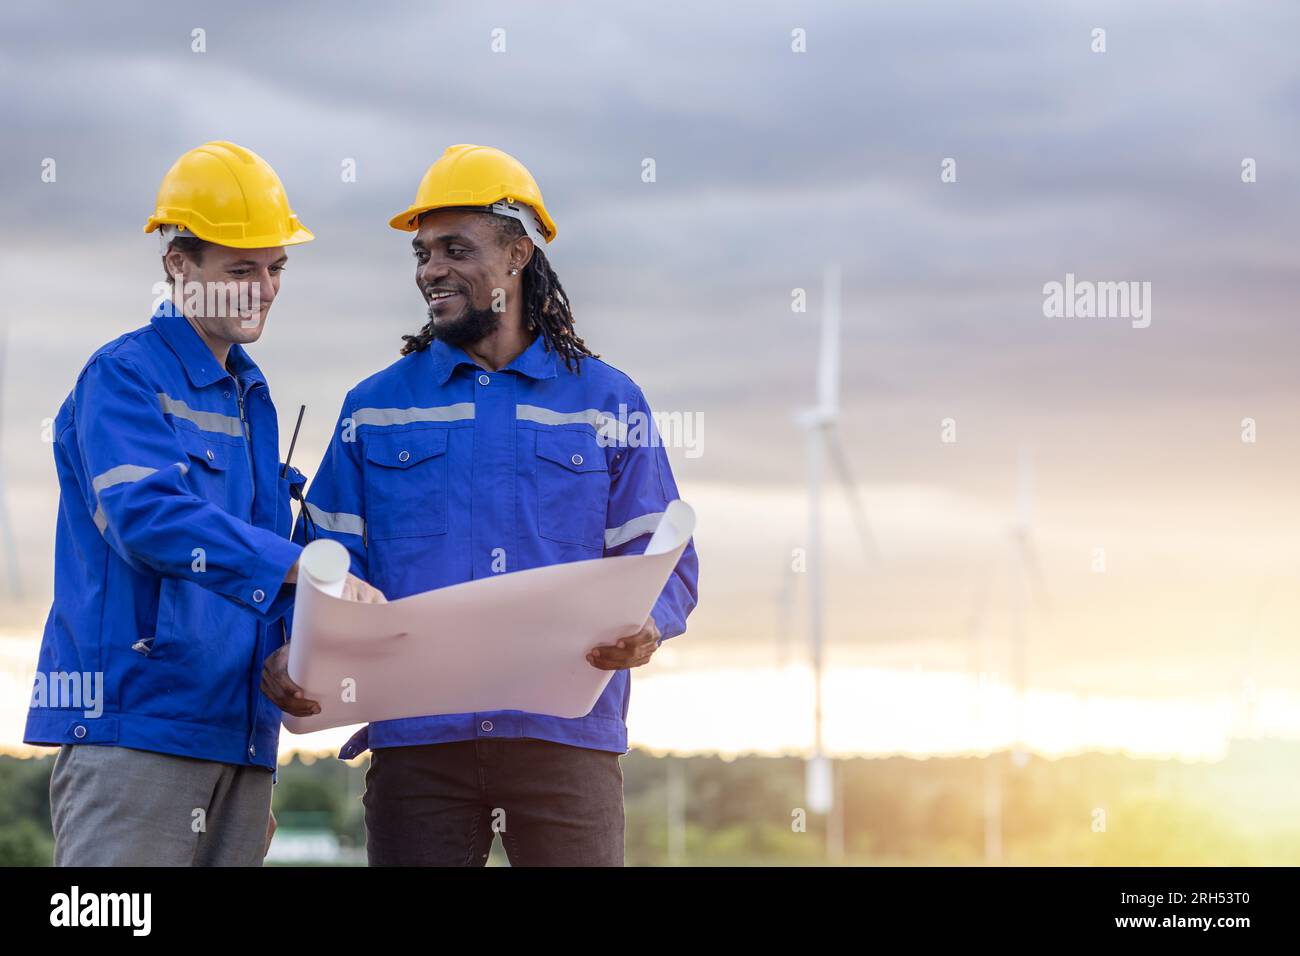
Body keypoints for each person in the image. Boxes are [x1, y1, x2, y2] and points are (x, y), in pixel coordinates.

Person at [261, 144, 699, 866]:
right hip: (417, 747)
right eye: (422, 253)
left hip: (566, 744)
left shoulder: (608, 401)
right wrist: (292, 645)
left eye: (455, 249)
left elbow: (667, 561)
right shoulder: (374, 408)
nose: (431, 270)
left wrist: (649, 625)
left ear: (519, 253)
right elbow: (324, 563)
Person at [24, 140, 383, 866]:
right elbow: (148, 517)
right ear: (177, 265)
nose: (265, 288)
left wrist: (293, 648)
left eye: (276, 268)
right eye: (241, 269)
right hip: (137, 734)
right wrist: (305, 567)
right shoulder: (123, 377)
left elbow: (249, 559)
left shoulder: (255, 400)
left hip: (242, 742)